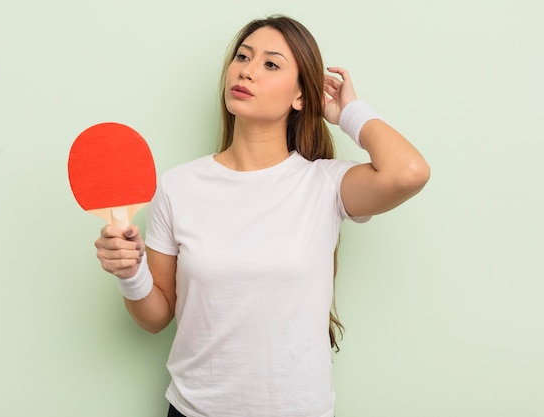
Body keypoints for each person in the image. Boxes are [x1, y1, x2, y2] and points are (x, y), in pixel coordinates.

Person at [94, 14, 429, 417]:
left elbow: (409, 172)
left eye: (270, 64)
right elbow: (155, 318)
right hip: (195, 410)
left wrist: (348, 112)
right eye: (242, 57)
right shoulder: (178, 186)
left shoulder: (324, 184)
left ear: (301, 96)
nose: (247, 71)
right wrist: (130, 274)